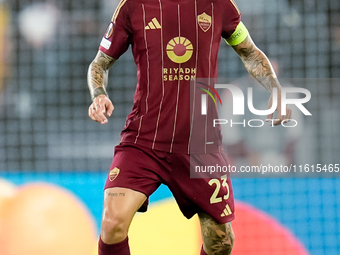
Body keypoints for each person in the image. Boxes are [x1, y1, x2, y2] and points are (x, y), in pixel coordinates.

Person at [87, 0, 292, 254]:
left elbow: (249, 51)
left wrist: (276, 89)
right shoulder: (133, 5)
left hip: (200, 144)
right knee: (111, 223)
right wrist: (98, 94)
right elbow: (99, 63)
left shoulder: (220, 5)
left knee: (221, 242)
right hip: (144, 140)